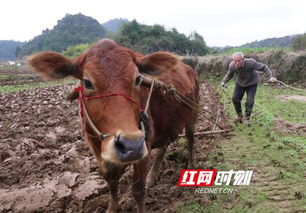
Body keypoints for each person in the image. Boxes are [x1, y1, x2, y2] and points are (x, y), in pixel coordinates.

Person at [221, 52, 277, 123]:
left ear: (243, 59)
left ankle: (247, 117)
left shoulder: (251, 62)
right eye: (235, 61)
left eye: (239, 61)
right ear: (233, 60)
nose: (237, 63)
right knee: (235, 98)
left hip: (252, 83)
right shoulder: (232, 65)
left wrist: (271, 77)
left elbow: (264, 67)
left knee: (250, 101)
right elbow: (229, 75)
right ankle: (239, 115)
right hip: (240, 83)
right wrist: (223, 82)